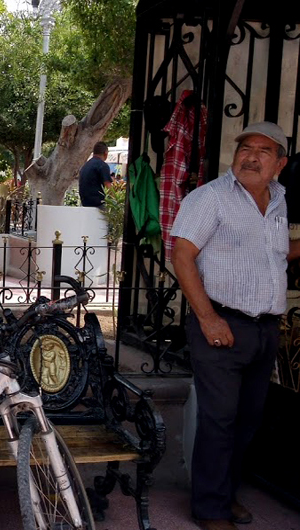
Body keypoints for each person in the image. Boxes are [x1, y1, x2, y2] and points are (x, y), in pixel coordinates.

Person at [171, 121, 300, 530]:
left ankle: (225, 495)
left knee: (248, 420)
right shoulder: (210, 198)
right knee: (220, 419)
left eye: (264, 151)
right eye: (246, 148)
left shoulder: (279, 200)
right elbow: (182, 256)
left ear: (279, 164)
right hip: (221, 324)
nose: (252, 156)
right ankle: (210, 509)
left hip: (263, 328)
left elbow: (274, 253)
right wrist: (208, 318)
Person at [78, 142, 112, 208]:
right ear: (106, 153)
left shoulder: (86, 165)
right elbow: (108, 186)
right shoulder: (102, 165)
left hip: (85, 203)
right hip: (98, 203)